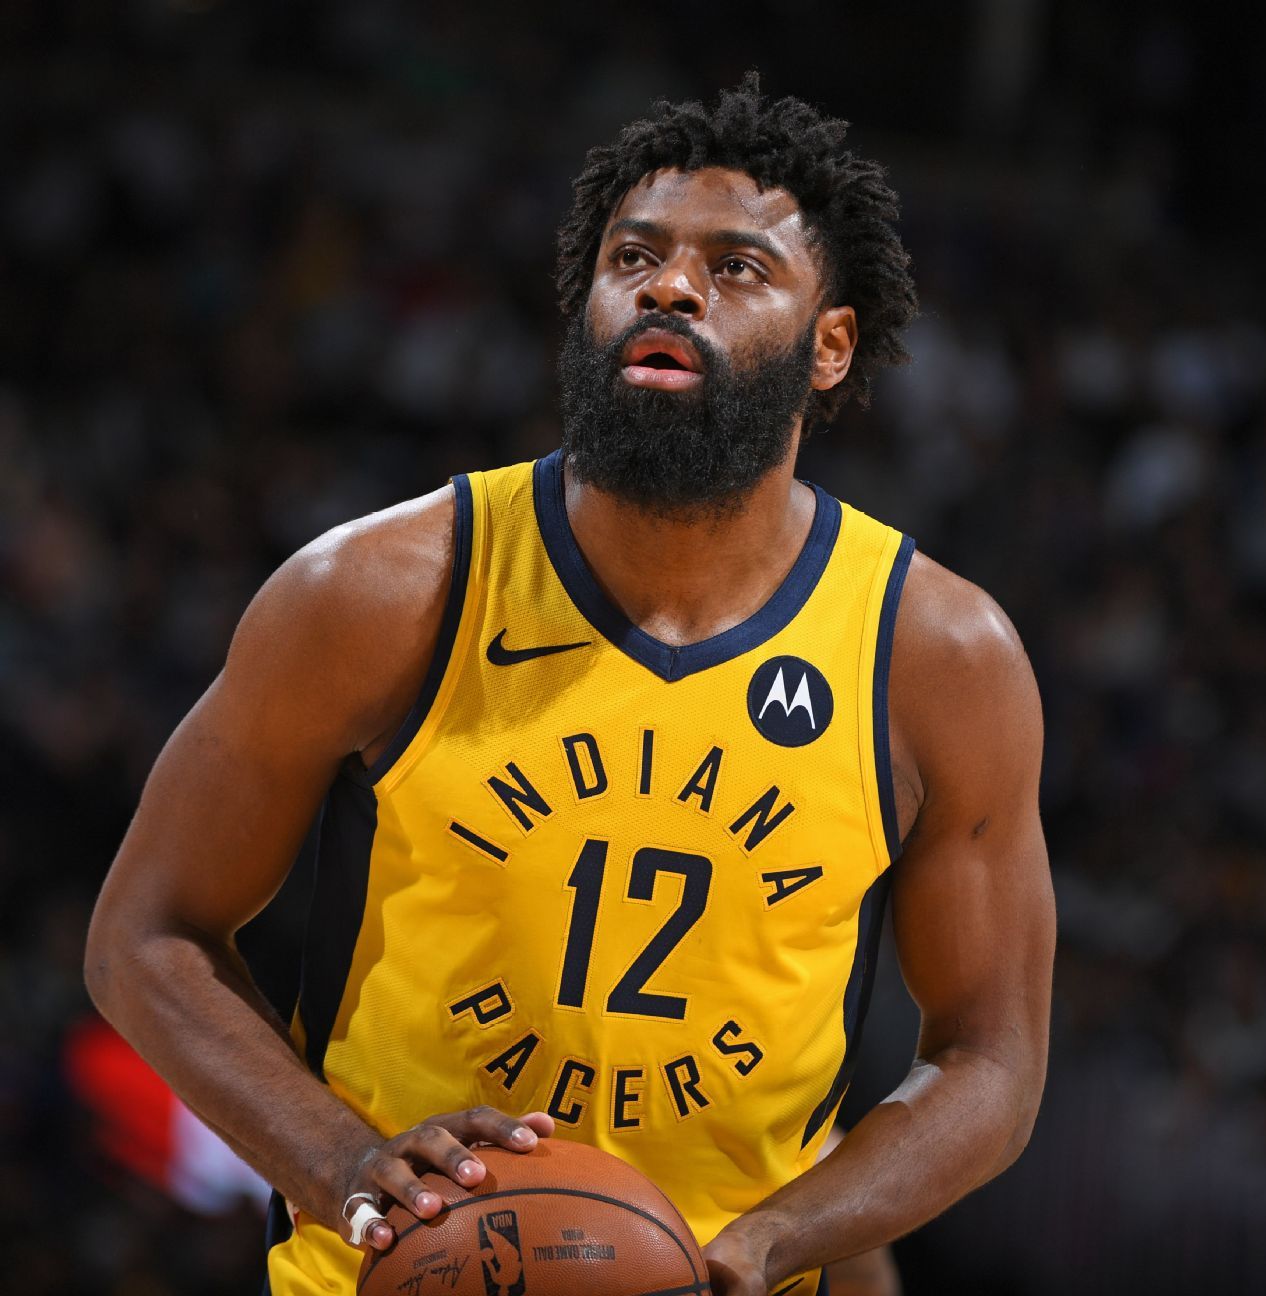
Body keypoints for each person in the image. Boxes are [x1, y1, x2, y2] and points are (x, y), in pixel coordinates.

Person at [85, 75, 1054, 1296]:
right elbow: (144, 936)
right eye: (632, 257)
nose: (669, 287)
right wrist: (342, 1162)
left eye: (736, 268)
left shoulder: (936, 657)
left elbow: (992, 1060)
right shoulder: (382, 593)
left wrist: (779, 1238)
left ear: (831, 345)